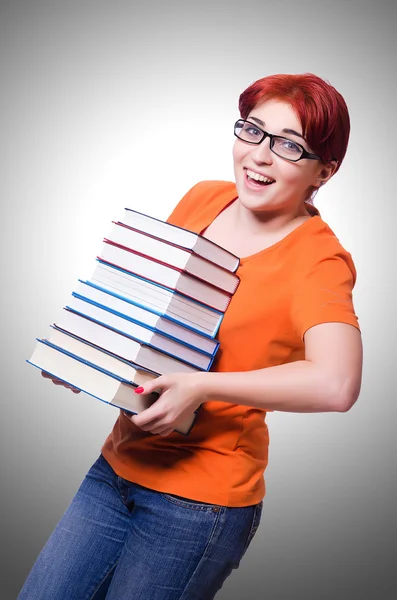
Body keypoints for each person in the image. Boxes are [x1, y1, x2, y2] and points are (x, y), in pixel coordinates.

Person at [18, 73, 362, 600]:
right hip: (115, 469)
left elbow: (336, 383)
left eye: (290, 145)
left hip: (198, 506)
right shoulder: (204, 199)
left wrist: (203, 388)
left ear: (324, 171)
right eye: (252, 130)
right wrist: (89, 356)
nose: (259, 156)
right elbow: (158, 319)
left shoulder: (319, 262)